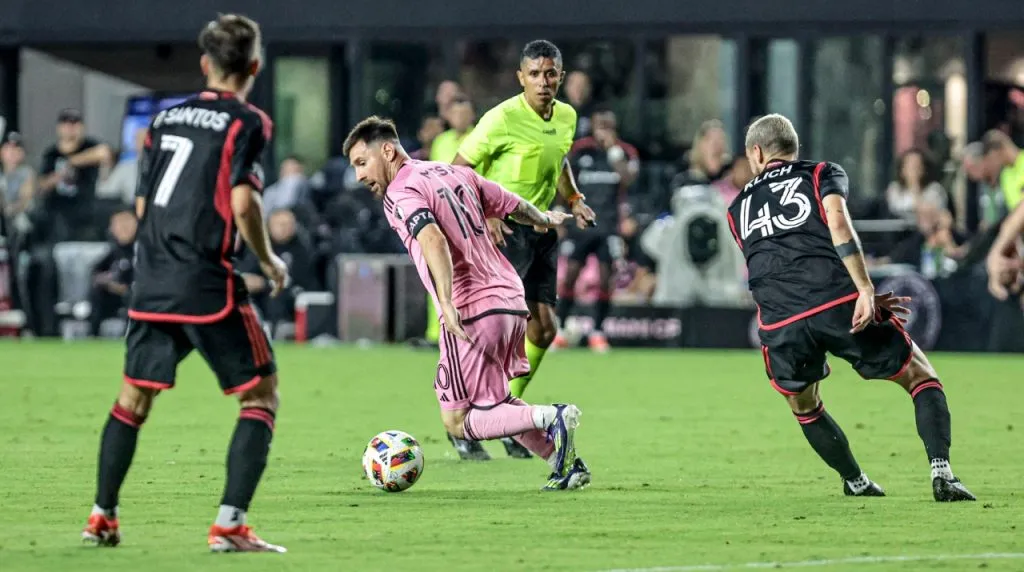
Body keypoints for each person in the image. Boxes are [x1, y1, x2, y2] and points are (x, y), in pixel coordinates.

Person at [81, 14, 290, 552]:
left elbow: (143, 205)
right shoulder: (248, 122)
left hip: (151, 279)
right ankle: (230, 523)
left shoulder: (163, 122)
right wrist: (267, 261)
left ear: (204, 64)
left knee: (133, 397)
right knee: (261, 396)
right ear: (254, 67)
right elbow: (244, 201)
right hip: (205, 281)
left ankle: (102, 516)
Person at [726, 114, 975, 502]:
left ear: (756, 152)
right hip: (836, 301)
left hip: (780, 319)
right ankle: (942, 473)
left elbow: (764, 260)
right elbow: (838, 223)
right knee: (920, 376)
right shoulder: (820, 172)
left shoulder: (737, 207)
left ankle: (855, 481)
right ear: (793, 148)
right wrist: (865, 289)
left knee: (804, 405)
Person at [343, 116, 591, 491]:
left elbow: (432, 239)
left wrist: (446, 302)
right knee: (499, 401)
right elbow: (509, 202)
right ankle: (566, 463)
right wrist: (543, 217)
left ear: (388, 151)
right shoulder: (450, 173)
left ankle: (552, 416)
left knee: (458, 420)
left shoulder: (401, 192)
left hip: (471, 306)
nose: (360, 175)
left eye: (362, 163)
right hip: (509, 297)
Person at [452, 39, 597, 461]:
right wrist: (488, 212)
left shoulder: (567, 116)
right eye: (535, 74)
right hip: (504, 233)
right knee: (498, 331)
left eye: (551, 73)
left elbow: (560, 160)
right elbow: (459, 170)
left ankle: (510, 421)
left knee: (543, 330)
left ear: (561, 77)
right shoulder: (500, 118)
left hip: (541, 230)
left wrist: (573, 200)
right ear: (521, 78)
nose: (543, 81)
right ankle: (466, 423)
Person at [554, 107, 639, 351]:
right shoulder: (580, 150)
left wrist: (613, 152)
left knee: (605, 278)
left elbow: (629, 181)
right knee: (570, 274)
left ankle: (598, 331)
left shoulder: (625, 153)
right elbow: (564, 183)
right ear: (591, 125)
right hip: (580, 225)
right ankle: (560, 328)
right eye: (599, 124)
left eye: (608, 125)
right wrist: (561, 217)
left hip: (609, 226)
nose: (603, 130)